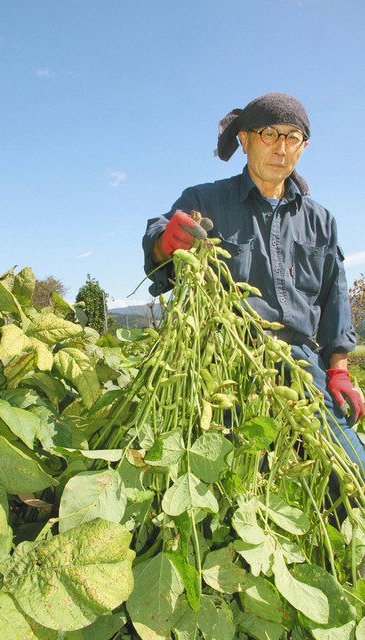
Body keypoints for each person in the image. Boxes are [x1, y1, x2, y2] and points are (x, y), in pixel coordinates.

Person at [142, 92, 365, 475]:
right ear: (244, 140)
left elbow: (334, 295)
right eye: (269, 133)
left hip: (297, 366)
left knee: (351, 474)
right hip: (222, 363)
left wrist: (339, 369)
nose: (281, 147)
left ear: (303, 146)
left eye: (292, 136)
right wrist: (165, 244)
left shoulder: (320, 220)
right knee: (233, 476)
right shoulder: (206, 199)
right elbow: (158, 239)